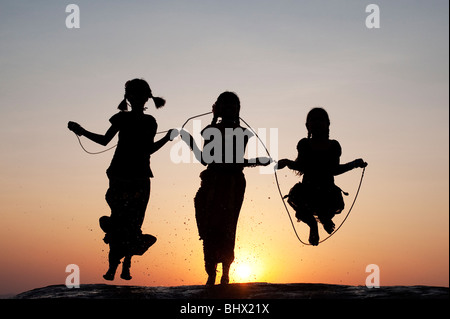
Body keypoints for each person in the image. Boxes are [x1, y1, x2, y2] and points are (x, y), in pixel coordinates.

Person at [68, 78, 177, 280]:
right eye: (133, 94)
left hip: (140, 176)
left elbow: (149, 150)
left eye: (140, 94)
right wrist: (81, 131)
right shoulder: (121, 118)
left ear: (146, 97)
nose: (136, 97)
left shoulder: (150, 122)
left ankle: (125, 265)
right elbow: (104, 140)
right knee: (120, 222)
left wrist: (166, 138)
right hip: (120, 175)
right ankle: (114, 267)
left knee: (132, 224)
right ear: (128, 97)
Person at [180, 91, 271, 285]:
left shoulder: (241, 133)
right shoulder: (212, 131)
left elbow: (235, 161)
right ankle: (212, 271)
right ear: (219, 108)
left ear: (237, 110)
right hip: (213, 181)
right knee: (209, 227)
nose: (229, 109)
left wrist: (256, 161)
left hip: (231, 184)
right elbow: (206, 159)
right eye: (225, 105)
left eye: (232, 105)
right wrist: (257, 161)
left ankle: (224, 273)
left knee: (227, 227)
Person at [277, 107, 367, 246]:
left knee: (325, 208)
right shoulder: (304, 144)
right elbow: (301, 166)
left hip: (327, 191)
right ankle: (313, 225)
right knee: (302, 209)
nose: (316, 122)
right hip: (307, 190)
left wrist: (354, 164)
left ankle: (324, 219)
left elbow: (335, 170)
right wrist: (287, 162)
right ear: (307, 126)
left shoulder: (334, 145)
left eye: (320, 119)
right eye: (313, 120)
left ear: (327, 124)